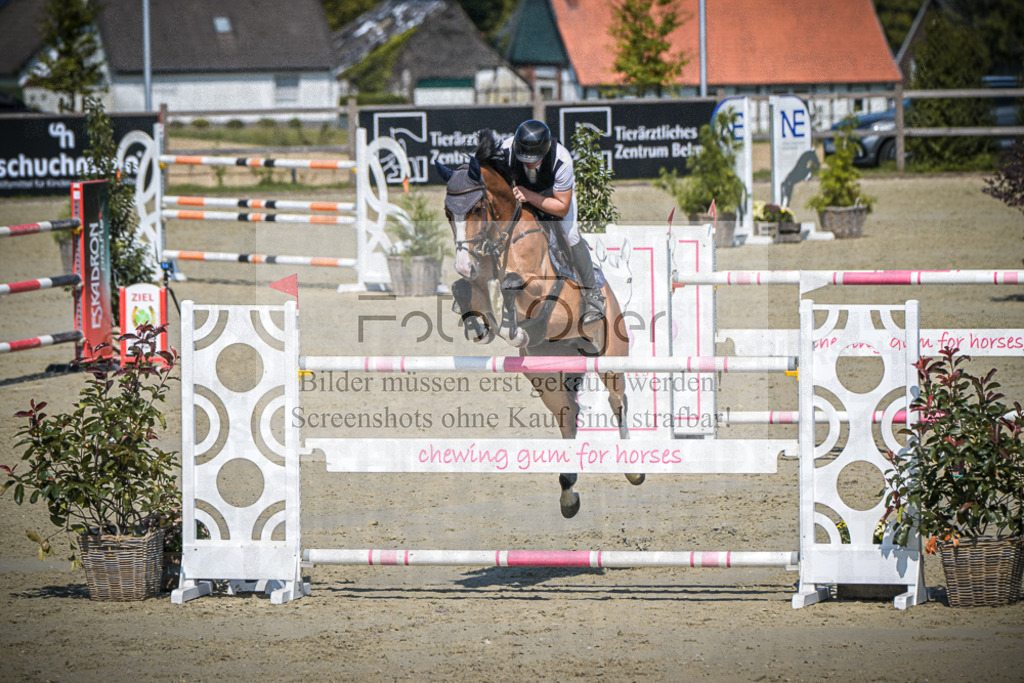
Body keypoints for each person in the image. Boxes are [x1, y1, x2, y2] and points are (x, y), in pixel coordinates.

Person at [500, 119, 604, 325]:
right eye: (525, 158)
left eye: (535, 159)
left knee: (571, 234)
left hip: (552, 198)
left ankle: (593, 294)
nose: (529, 162)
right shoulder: (505, 150)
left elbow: (562, 206)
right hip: (519, 196)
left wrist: (530, 195)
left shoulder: (561, 159)